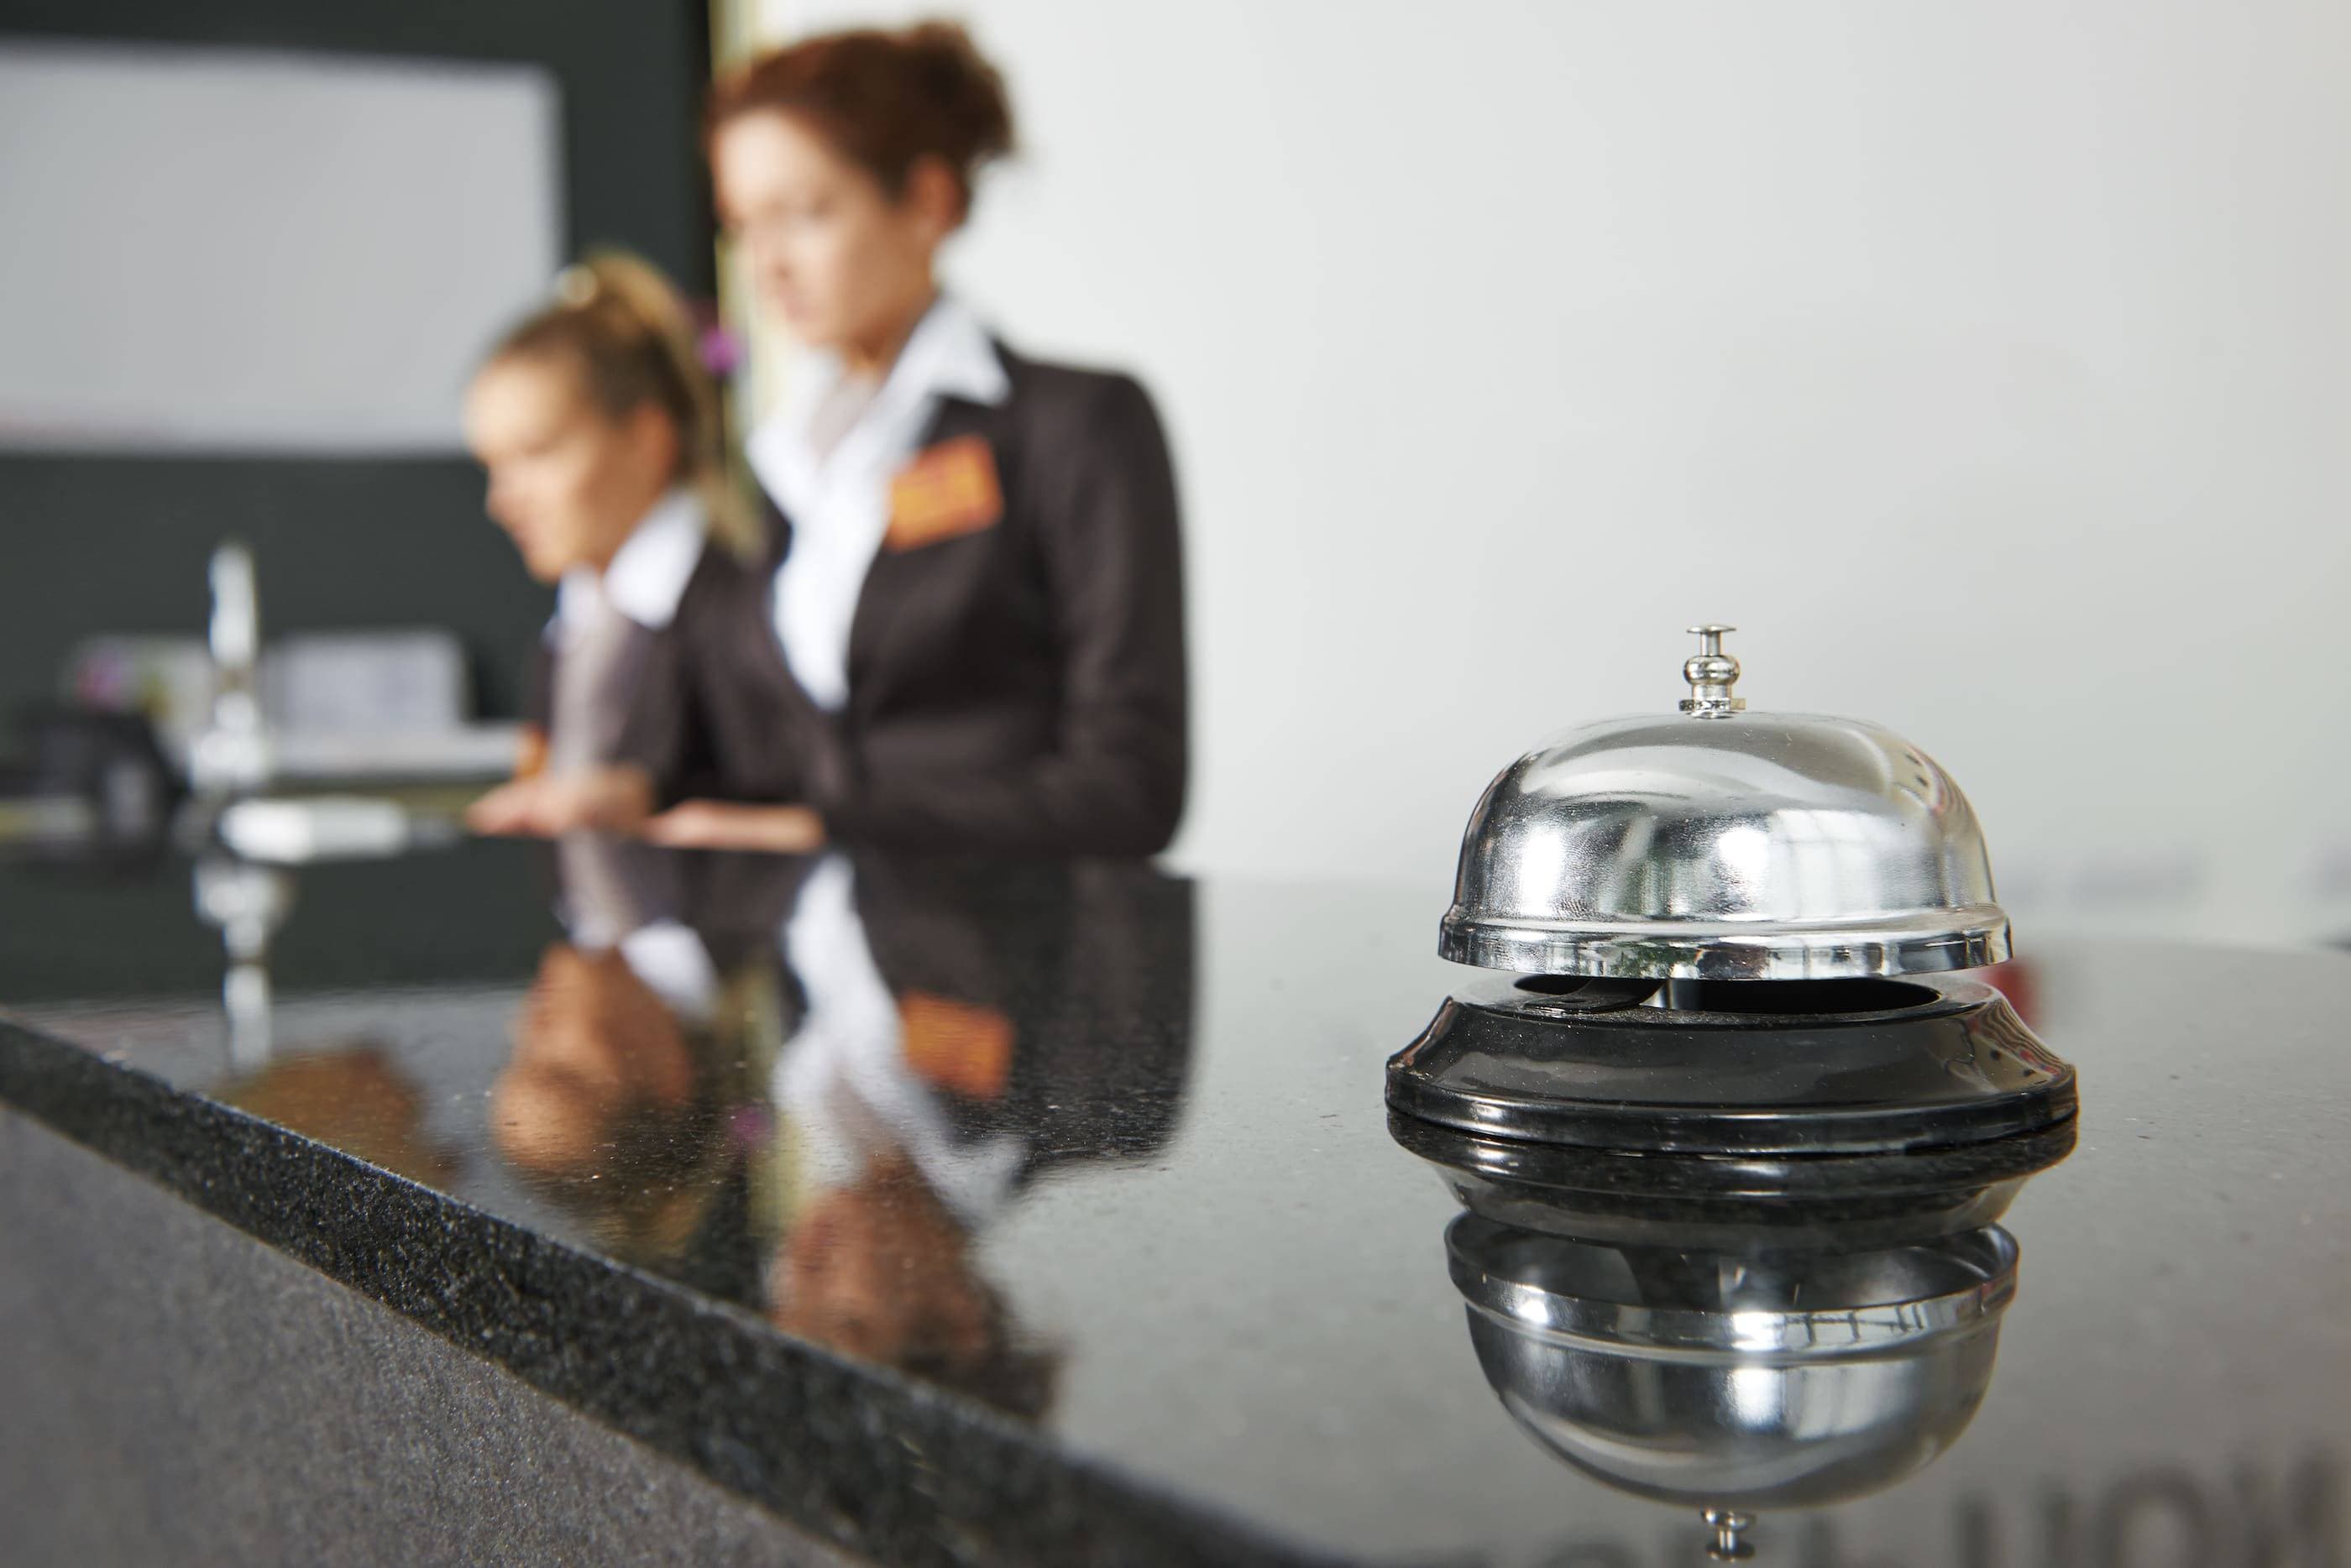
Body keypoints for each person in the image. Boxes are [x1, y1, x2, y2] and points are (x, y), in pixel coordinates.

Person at [636, 19, 1188, 858]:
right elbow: (787, 756)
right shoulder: (785, 460)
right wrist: (637, 789)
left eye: (804, 214)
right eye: (743, 225)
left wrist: (828, 830)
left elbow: (1129, 788)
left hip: (1026, 967)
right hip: (829, 970)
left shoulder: (1074, 425)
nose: (766, 264)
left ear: (926, 203)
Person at [462, 251, 762, 838]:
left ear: (648, 440)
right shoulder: (571, 631)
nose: (503, 502)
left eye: (537, 453)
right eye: (493, 467)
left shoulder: (745, 618)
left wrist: (650, 803)